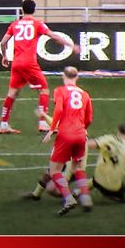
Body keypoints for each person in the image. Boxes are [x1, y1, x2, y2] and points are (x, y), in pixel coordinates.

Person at [0, 0, 80, 134]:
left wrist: (4, 56)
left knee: (12, 93)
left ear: (22, 10)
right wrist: (71, 45)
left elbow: (3, 42)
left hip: (16, 63)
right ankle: (43, 123)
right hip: (29, 63)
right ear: (34, 10)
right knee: (44, 90)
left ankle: (3, 124)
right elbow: (54, 36)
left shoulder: (15, 24)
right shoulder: (37, 24)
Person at [40, 66, 93, 215]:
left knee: (55, 170)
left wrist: (52, 129)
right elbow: (89, 118)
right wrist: (82, 128)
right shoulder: (85, 94)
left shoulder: (60, 91)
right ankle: (85, 197)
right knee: (78, 168)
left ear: (63, 76)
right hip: (81, 134)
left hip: (65, 134)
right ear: (77, 77)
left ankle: (69, 199)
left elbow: (59, 110)